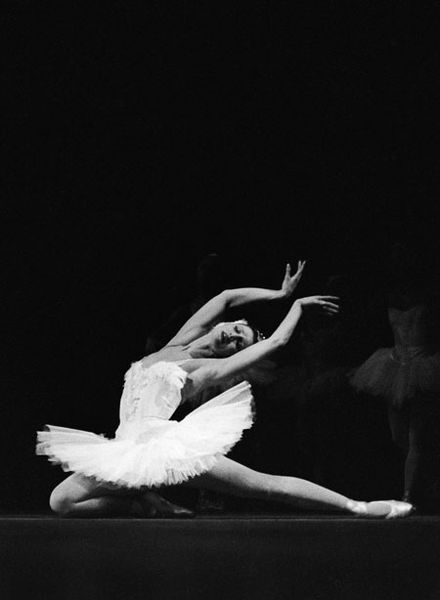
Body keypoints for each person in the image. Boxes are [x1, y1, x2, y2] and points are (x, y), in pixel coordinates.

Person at [37, 262, 412, 519]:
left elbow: (278, 342)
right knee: (62, 501)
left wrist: (295, 307)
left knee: (264, 486)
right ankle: (144, 503)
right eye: (235, 330)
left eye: (238, 344)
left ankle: (358, 506)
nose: (231, 337)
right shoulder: (176, 344)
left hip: (165, 447)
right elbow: (227, 296)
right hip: (123, 449)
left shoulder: (203, 369)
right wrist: (278, 294)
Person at [350, 242, 440, 507]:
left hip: (422, 365)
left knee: (416, 437)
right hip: (394, 363)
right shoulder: (391, 296)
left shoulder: (430, 297)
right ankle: (428, 478)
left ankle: (409, 495)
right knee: (398, 437)